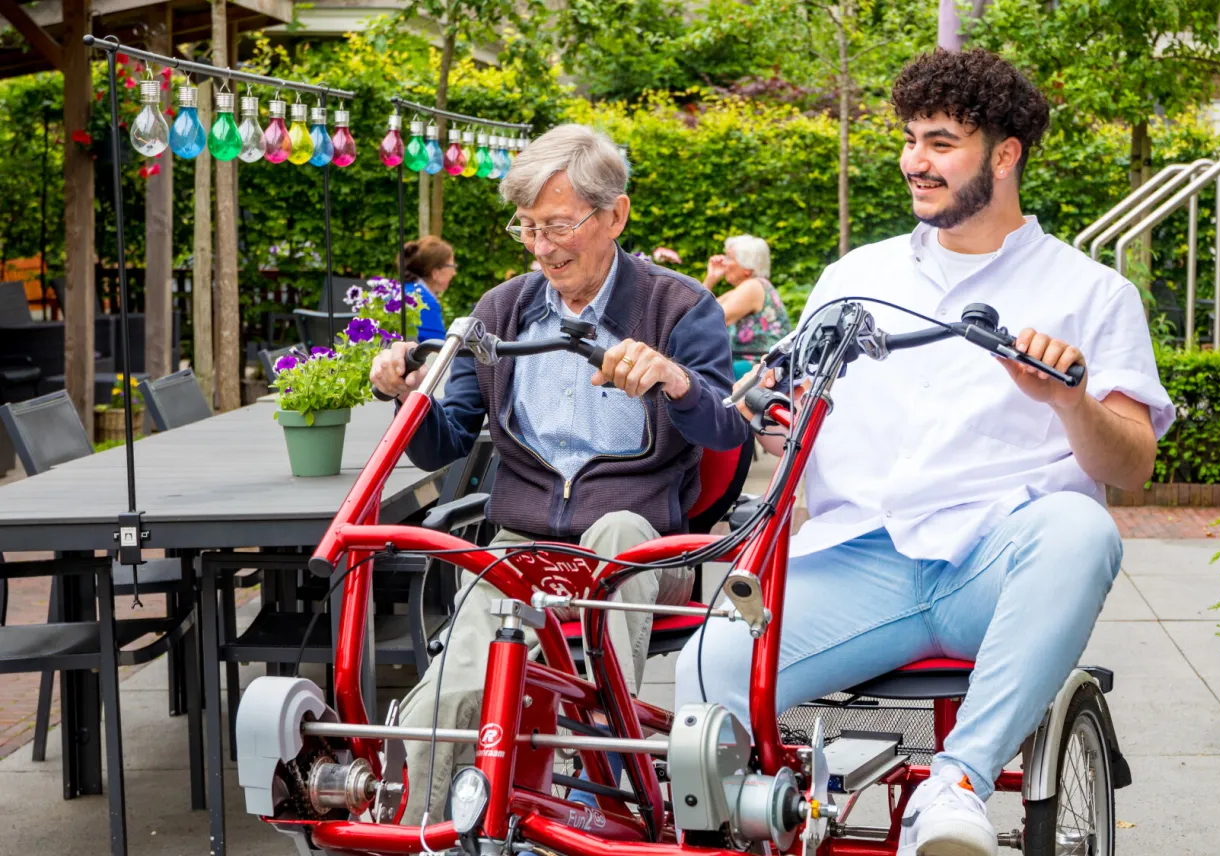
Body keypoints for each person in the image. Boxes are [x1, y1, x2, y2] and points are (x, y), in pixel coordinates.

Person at [674, 49, 1176, 856]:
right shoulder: (853, 277)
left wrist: (1068, 400)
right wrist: (770, 419)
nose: (915, 161)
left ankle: (959, 784)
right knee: (706, 673)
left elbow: (1132, 466)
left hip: (994, 560)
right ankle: (764, 824)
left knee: (1084, 530)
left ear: (1005, 154)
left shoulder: (1090, 291)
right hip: (856, 558)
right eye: (910, 139)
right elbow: (788, 417)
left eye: (940, 143)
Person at [371, 124, 750, 824]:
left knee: (617, 532)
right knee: (445, 701)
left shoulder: (678, 307)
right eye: (528, 229)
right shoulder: (501, 311)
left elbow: (728, 430)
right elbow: (444, 441)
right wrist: (407, 396)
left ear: (615, 215)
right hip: (524, 551)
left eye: (558, 226)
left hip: (641, 550)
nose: (542, 248)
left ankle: (592, 786)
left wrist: (672, 380)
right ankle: (426, 827)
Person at [701, 235, 793, 379]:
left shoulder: (753, 287)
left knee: (701, 374)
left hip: (762, 369)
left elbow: (710, 320)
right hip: (756, 366)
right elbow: (697, 312)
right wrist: (710, 278)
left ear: (747, 268)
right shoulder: (744, 289)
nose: (724, 263)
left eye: (729, 258)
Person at [399, 235, 454, 343]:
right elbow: (439, 350)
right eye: (451, 266)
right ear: (435, 272)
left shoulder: (403, 290)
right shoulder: (425, 302)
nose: (454, 273)